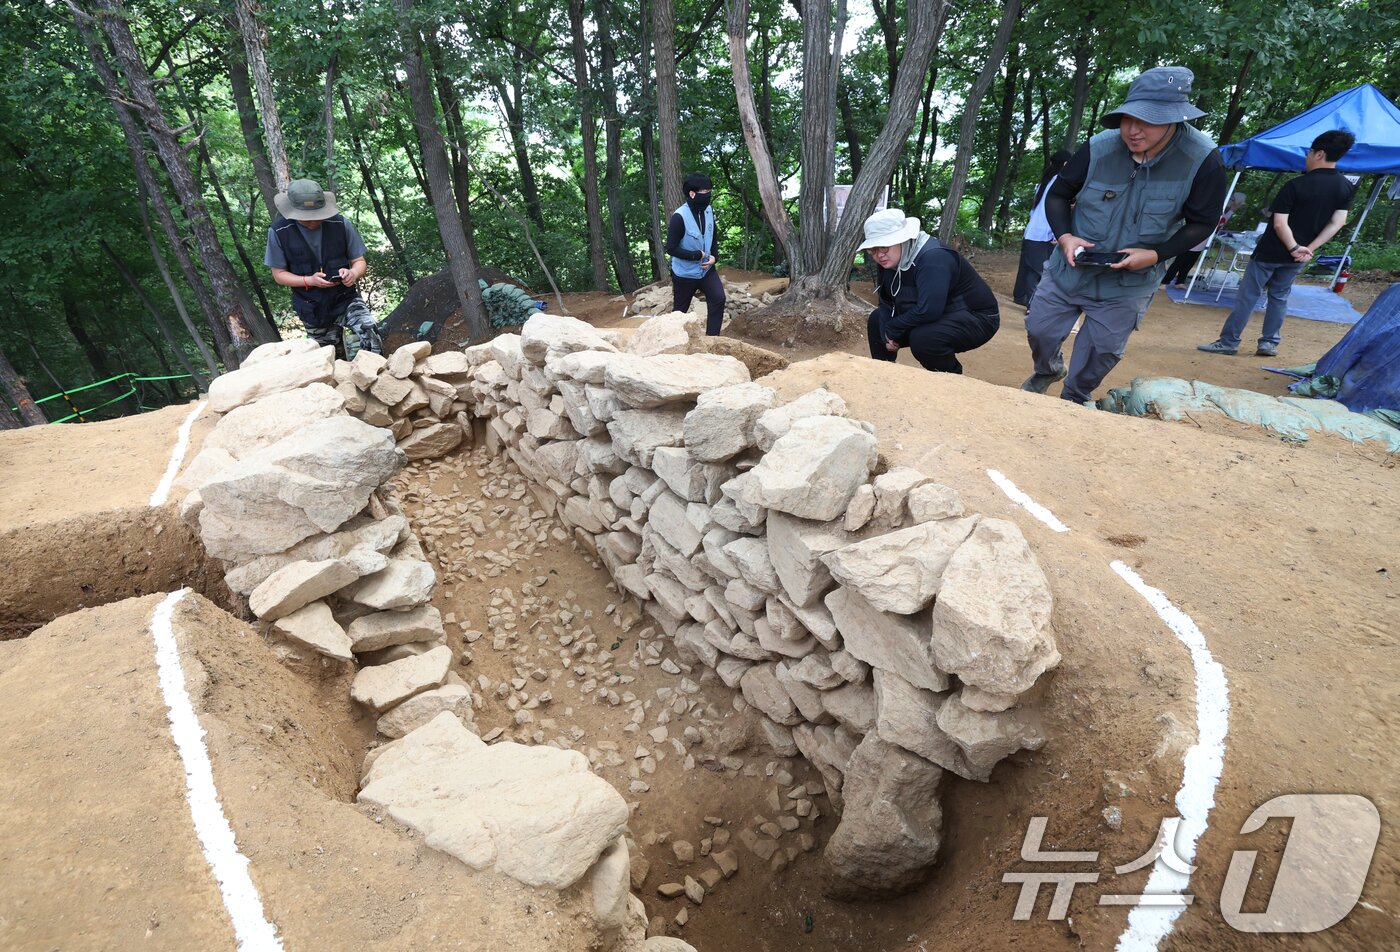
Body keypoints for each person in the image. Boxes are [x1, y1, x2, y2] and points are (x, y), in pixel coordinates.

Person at [1021, 66, 1228, 403]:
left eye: (1148, 121)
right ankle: (1047, 369)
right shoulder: (1099, 147)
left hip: (1129, 282)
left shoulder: (1202, 159)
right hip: (1070, 269)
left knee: (1101, 352)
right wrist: (1065, 237)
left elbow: (1203, 223)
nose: (1133, 130)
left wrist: (1156, 254)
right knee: (1040, 329)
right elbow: (1058, 195)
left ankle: (1073, 397)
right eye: (1129, 117)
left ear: (1176, 118)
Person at [1198, 131, 1356, 357]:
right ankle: (1269, 343)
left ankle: (1228, 342)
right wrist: (1307, 248)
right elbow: (1338, 222)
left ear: (1319, 154)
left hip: (1271, 252)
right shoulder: (1345, 187)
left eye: (1310, 153)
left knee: (1248, 297)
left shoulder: (1296, 185)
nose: (1307, 157)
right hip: (1298, 256)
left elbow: (1280, 224)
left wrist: (1292, 246)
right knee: (1279, 297)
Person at [860, 208, 1000, 374]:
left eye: (884, 247)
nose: (879, 255)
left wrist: (893, 328)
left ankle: (952, 378)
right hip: (936, 310)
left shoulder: (933, 258)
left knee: (924, 339)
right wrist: (887, 334)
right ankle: (883, 375)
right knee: (877, 321)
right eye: (873, 250)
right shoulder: (890, 259)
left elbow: (929, 311)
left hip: (976, 316)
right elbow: (887, 301)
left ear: (902, 239)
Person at [264, 178, 382, 358]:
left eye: (317, 216)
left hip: (345, 298)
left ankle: (375, 376)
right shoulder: (279, 232)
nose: (313, 221)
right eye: (306, 219)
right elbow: (278, 274)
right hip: (311, 306)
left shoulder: (340, 224)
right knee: (331, 356)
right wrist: (308, 280)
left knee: (369, 330)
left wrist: (353, 272)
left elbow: (359, 260)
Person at [664, 172, 726, 336]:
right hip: (684, 273)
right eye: (705, 192)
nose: (709, 195)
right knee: (679, 313)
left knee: (718, 298)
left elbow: (712, 236)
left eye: (709, 191)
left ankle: (712, 341)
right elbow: (671, 248)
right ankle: (673, 343)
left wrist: (714, 257)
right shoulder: (679, 217)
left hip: (706, 270)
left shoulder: (708, 211)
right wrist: (695, 255)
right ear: (692, 194)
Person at [1013, 149, 1072, 307]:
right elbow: (1054, 211)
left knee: (1029, 267)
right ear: (1066, 164)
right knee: (1038, 271)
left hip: (1033, 232)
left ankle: (1021, 297)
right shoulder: (1058, 182)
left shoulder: (1044, 182)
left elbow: (1037, 211)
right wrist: (1056, 233)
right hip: (1042, 234)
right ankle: (1033, 306)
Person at [1162, 190, 1246, 288]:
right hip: (1195, 237)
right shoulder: (1218, 209)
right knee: (1180, 261)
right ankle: (1165, 282)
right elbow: (1220, 222)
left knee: (1189, 263)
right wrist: (1231, 210)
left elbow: (1220, 223)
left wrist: (1231, 211)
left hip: (1202, 240)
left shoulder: (1223, 210)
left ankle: (1180, 281)